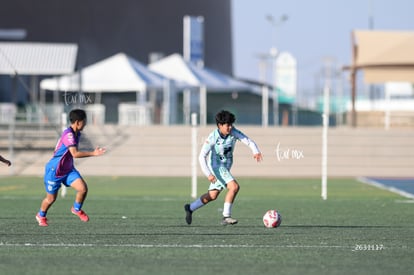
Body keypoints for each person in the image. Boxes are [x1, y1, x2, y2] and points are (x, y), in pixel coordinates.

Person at [184, 110, 263, 225]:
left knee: (212, 195)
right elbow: (201, 156)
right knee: (234, 187)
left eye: (231, 124)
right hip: (217, 167)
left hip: (225, 167)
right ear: (219, 125)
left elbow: (248, 141)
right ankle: (226, 216)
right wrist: (208, 174)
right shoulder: (213, 137)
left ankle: (190, 208)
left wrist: (255, 151)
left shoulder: (233, 132)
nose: (230, 127)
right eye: (227, 125)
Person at [35, 109, 105, 227]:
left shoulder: (77, 134)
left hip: (68, 169)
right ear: (78, 122)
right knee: (51, 199)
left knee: (82, 188)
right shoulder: (68, 134)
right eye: (84, 121)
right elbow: (75, 154)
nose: (85, 124)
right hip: (55, 170)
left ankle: (76, 209)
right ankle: (41, 215)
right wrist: (93, 153)